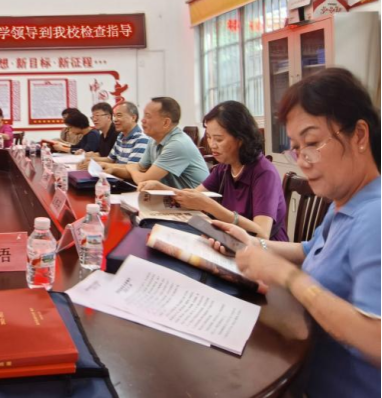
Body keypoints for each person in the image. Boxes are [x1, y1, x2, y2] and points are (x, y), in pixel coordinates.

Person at [208, 69, 380, 398]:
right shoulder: (345, 203)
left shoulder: (374, 216)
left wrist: (288, 277)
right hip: (298, 367)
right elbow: (309, 249)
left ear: (359, 135)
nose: (303, 161)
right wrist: (252, 243)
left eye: (312, 143)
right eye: (297, 148)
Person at [140, 101, 288, 240]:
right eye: (209, 138)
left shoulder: (264, 173)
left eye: (219, 139)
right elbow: (193, 197)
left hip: (263, 251)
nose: (212, 145)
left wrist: (209, 206)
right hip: (230, 240)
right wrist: (161, 188)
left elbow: (262, 233)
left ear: (241, 139)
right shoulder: (224, 167)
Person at [116, 97, 209, 189]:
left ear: (166, 123)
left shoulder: (177, 144)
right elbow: (140, 167)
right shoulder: (153, 140)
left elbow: (143, 180)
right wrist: (112, 169)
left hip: (195, 198)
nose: (142, 120)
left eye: (148, 116)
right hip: (173, 196)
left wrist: (131, 168)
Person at [81, 101, 149, 169]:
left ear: (133, 118)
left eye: (119, 115)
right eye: (114, 116)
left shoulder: (141, 139)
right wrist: (90, 160)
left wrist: (102, 164)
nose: (115, 120)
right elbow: (110, 159)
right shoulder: (120, 136)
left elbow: (131, 168)